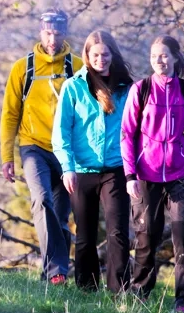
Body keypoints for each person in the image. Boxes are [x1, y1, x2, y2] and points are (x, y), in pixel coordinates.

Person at [120, 35, 184, 313]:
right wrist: (130, 176)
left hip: (180, 174)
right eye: (154, 57)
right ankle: (139, 293)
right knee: (146, 237)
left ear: (175, 57)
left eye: (164, 55)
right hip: (145, 175)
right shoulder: (141, 89)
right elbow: (127, 134)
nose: (159, 61)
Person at [0, 9, 84, 284]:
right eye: (48, 32)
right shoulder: (23, 68)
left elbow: (89, 112)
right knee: (42, 200)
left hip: (66, 151)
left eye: (58, 33)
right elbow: (10, 114)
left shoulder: (79, 67)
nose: (52, 39)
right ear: (40, 31)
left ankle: (52, 273)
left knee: (60, 217)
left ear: (64, 33)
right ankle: (56, 272)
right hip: (33, 146)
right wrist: (7, 156)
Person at [52, 31, 133, 293]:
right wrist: (67, 168)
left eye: (106, 54)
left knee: (118, 232)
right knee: (85, 235)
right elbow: (61, 132)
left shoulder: (126, 88)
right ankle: (86, 290)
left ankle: (118, 291)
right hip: (82, 170)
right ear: (87, 56)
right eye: (95, 54)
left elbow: (134, 129)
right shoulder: (73, 87)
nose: (101, 59)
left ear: (113, 55)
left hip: (116, 169)